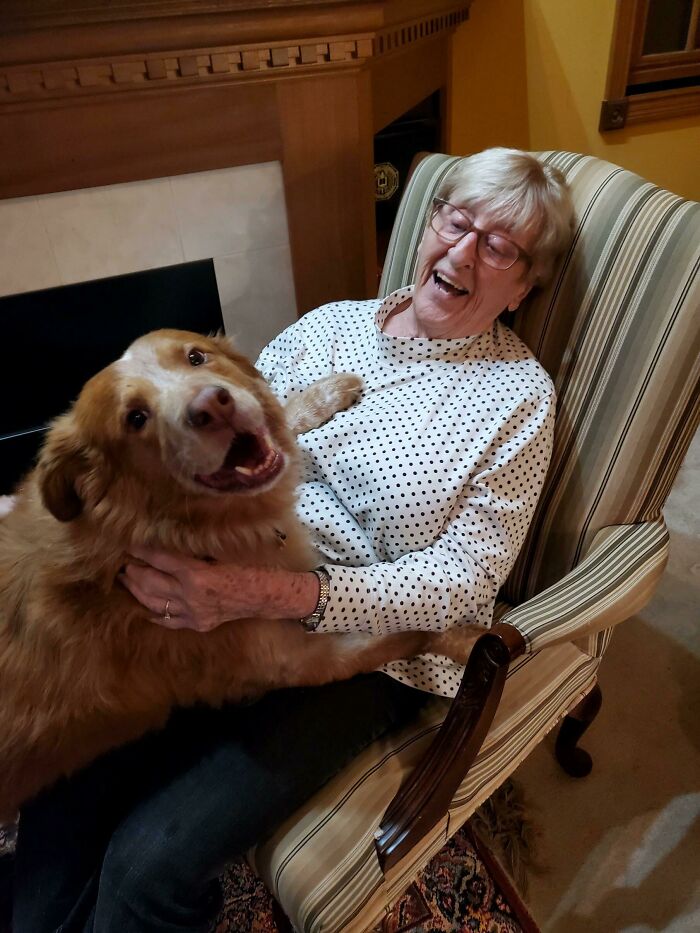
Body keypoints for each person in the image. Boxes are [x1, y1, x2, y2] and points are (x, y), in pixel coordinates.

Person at [12, 148, 575, 932]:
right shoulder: (330, 324)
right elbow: (214, 449)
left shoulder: (517, 399)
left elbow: (462, 580)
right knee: (67, 780)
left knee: (149, 863)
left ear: (523, 287)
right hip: (220, 591)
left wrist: (270, 592)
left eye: (500, 246)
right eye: (456, 220)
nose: (463, 250)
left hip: (363, 646)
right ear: (427, 225)